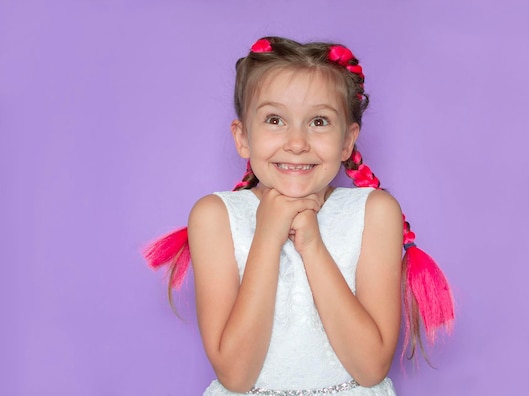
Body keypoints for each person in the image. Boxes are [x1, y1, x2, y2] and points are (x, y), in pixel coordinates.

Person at [144, 36, 454, 396]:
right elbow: (235, 376)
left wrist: (312, 246)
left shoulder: (375, 213)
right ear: (242, 137)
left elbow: (370, 369)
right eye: (275, 119)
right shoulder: (214, 217)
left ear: (347, 141)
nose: (296, 142)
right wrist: (267, 236)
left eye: (319, 121)